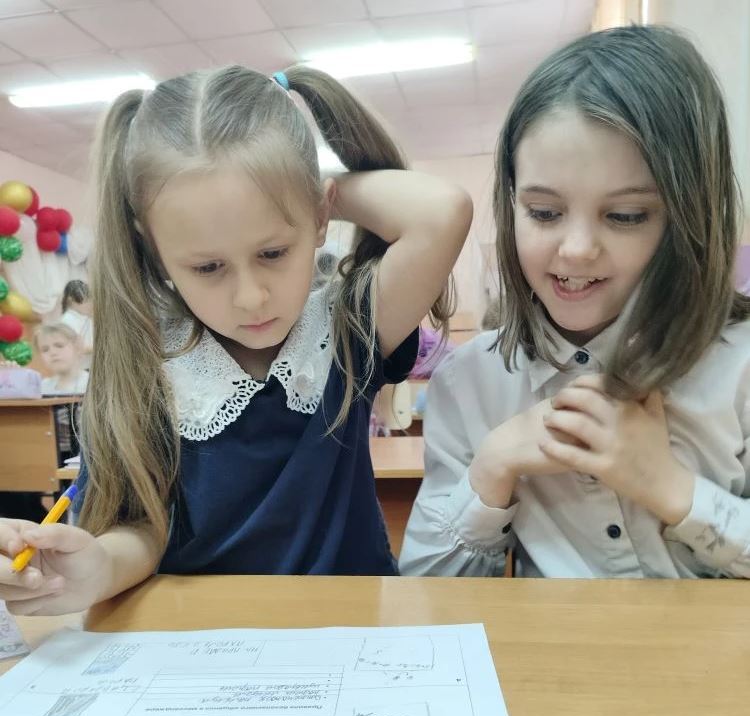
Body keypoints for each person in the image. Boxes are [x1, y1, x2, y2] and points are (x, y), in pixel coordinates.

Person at [0, 64, 470, 615]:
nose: (251, 298)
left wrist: (302, 189)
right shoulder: (145, 357)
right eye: (208, 267)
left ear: (320, 217)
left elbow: (443, 212)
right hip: (204, 639)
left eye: (273, 252)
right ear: (154, 250)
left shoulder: (346, 326)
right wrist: (98, 567)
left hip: (350, 630)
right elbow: (144, 528)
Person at [400, 25, 750, 579]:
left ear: (690, 213)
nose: (577, 249)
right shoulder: (469, 381)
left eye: (626, 216)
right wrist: (491, 470)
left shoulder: (738, 366)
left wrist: (671, 488)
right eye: (544, 213)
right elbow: (426, 591)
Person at [34, 322, 88, 463]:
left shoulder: (91, 383)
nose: (53, 353)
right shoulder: (41, 387)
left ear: (77, 347)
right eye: (45, 349)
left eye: (59, 345)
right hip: (50, 457)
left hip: (86, 455)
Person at [60, 279, 93, 368]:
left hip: (90, 367)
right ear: (71, 301)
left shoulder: (85, 317)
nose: (90, 305)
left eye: (90, 300)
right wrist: (98, 347)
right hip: (80, 369)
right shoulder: (67, 320)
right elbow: (74, 348)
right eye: (85, 301)